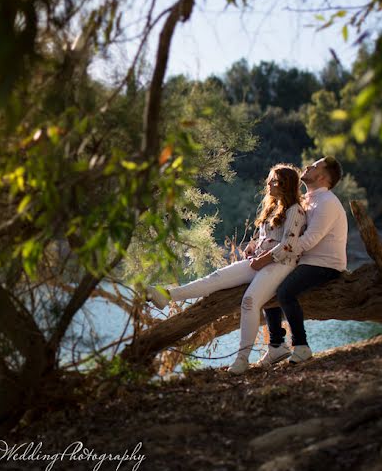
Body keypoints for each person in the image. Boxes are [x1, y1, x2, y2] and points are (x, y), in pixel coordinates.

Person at [146, 164, 307, 375]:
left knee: (249, 301)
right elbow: (264, 238)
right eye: (269, 179)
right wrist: (252, 248)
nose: (268, 183)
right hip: (259, 261)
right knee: (215, 277)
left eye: (274, 181)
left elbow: (289, 245)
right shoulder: (273, 207)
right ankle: (167, 295)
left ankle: (242, 359)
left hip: (280, 265)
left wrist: (263, 259)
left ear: (286, 184)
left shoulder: (296, 210)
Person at [250, 156, 347, 366]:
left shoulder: (327, 202)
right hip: (303, 260)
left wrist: (276, 253)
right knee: (269, 286)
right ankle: (276, 346)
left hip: (324, 264)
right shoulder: (307, 199)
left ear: (321, 176)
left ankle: (301, 346)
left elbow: (309, 240)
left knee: (285, 291)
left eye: (314, 166)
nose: (308, 167)